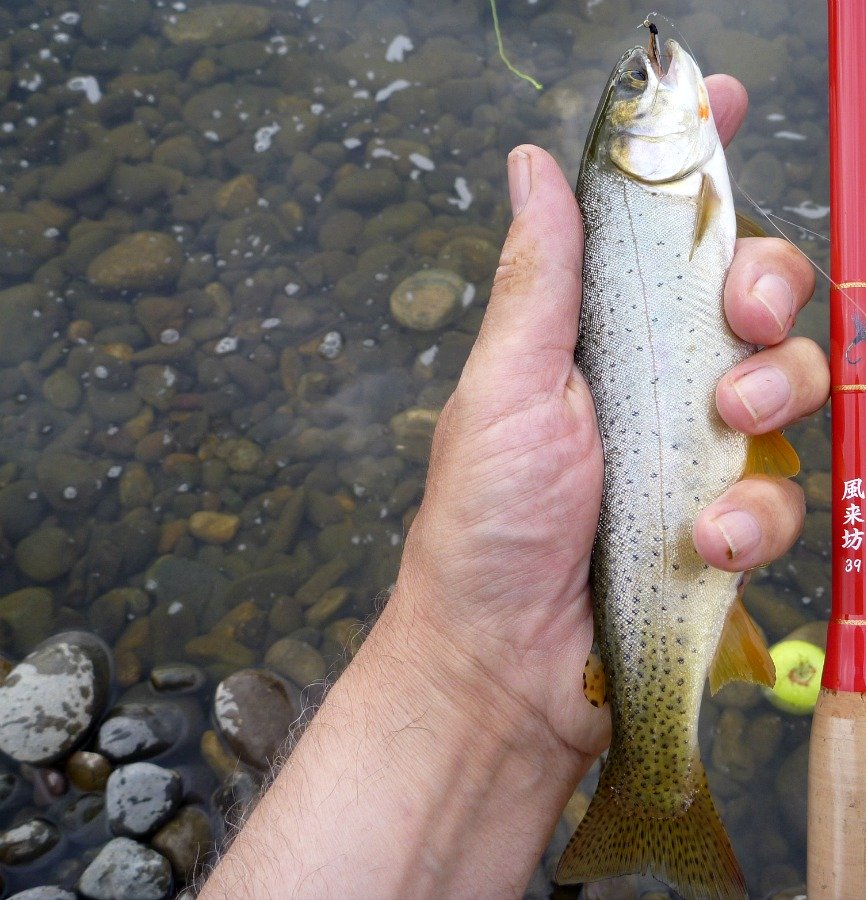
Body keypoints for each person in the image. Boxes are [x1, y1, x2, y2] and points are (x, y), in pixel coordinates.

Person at [200, 75, 827, 898]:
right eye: (639, 85)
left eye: (639, 83)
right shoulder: (678, 185)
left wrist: (472, 685)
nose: (653, 66)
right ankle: (657, 785)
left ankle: (650, 780)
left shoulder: (675, 180)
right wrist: (469, 669)